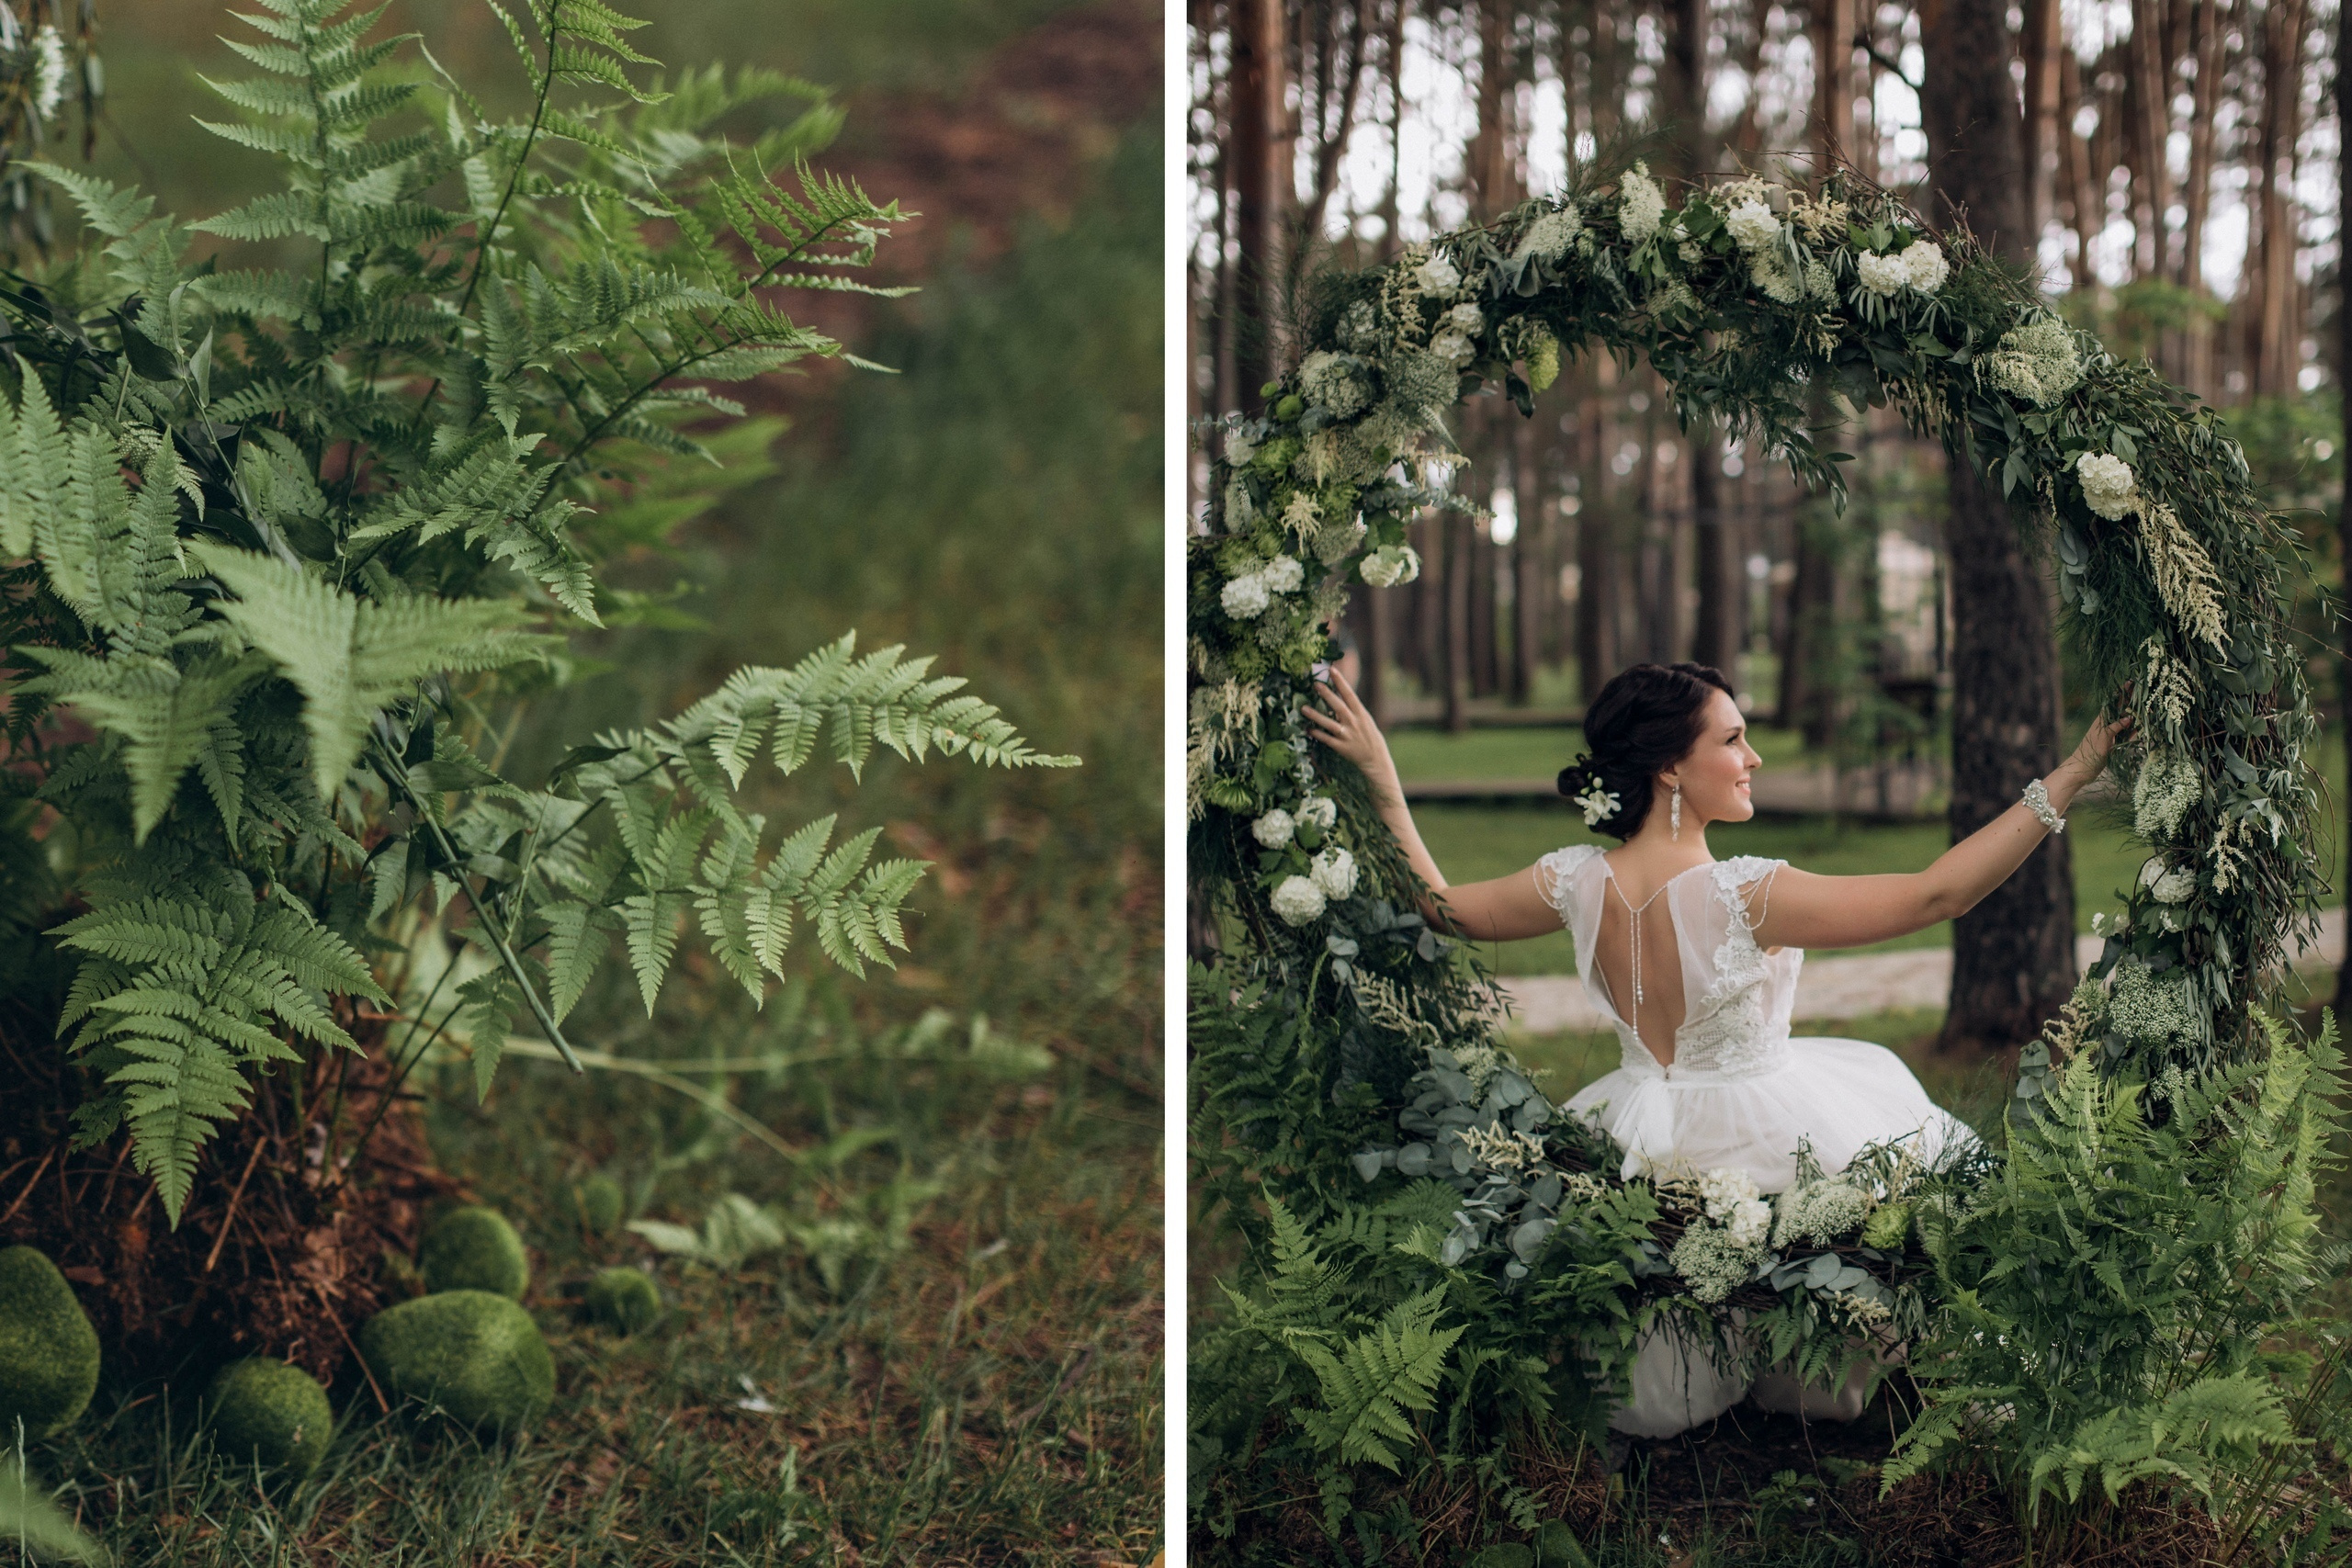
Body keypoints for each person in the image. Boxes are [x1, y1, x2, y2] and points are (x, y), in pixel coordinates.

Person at [1304, 659, 2129, 1437]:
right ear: (1669, 766)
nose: (1753, 757)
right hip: (1761, 1116)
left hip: (1636, 1123)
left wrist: (1383, 782)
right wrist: (2078, 767)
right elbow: (1940, 892)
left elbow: (1440, 906)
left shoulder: (1575, 880)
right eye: (1731, 740)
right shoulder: (1745, 894)